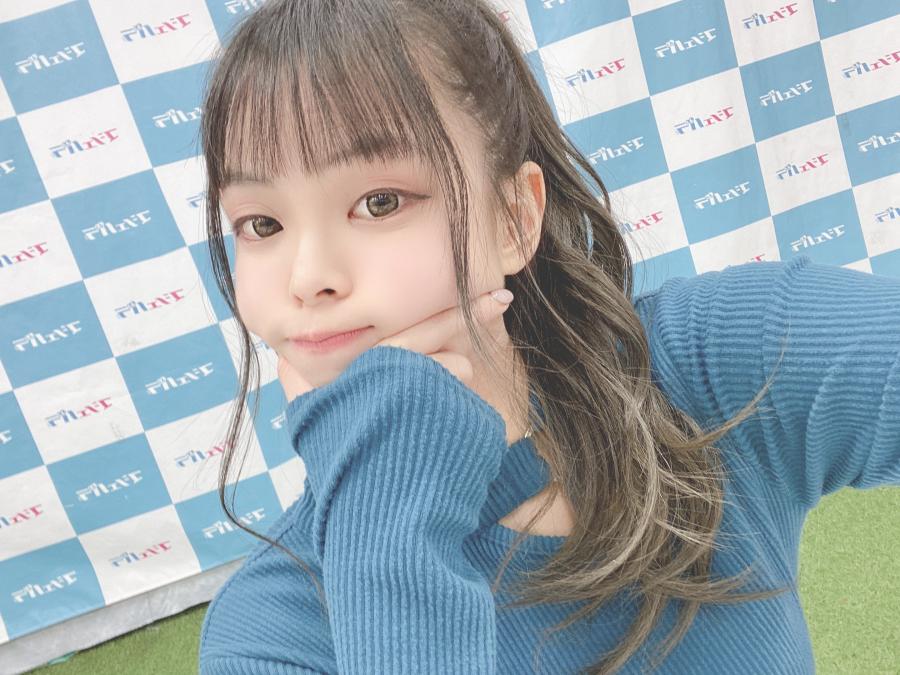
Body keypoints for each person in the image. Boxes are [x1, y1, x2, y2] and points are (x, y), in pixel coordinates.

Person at [195, 1, 900, 673]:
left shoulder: (712, 361)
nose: (308, 277)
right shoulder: (269, 635)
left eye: (380, 203)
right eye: (262, 224)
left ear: (514, 219)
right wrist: (387, 504)